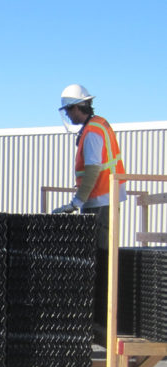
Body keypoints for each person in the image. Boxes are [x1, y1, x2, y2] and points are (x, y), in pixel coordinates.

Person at [52, 84, 126, 250]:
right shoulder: (97, 125)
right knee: (99, 250)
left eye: (68, 111)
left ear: (76, 108)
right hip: (103, 197)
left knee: (99, 252)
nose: (68, 115)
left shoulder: (92, 132)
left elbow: (93, 169)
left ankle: (103, 278)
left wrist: (76, 202)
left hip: (101, 199)